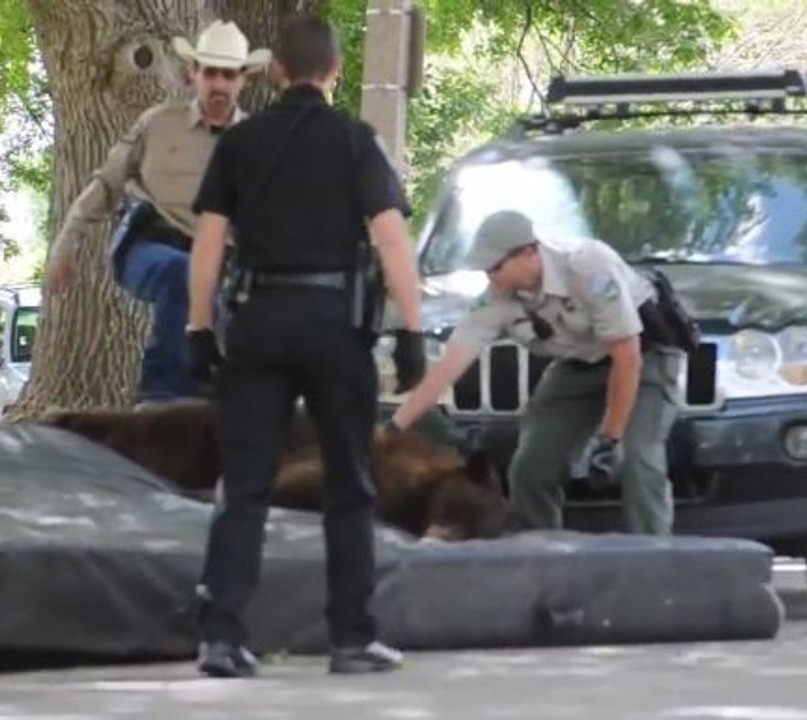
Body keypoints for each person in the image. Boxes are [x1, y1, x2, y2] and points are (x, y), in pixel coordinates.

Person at [185, 14, 426, 677]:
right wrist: (409, 329)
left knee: (246, 484)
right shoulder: (356, 142)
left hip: (257, 322)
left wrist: (197, 327)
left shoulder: (240, 144)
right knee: (349, 482)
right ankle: (351, 637)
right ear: (335, 72)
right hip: (333, 327)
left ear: (274, 72)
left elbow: (208, 243)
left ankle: (222, 636)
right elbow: (390, 238)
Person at [387, 209, 682, 536]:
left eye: (495, 267)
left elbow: (627, 357)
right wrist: (397, 425)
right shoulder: (495, 301)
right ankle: (540, 554)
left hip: (644, 359)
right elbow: (450, 364)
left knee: (639, 461)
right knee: (530, 467)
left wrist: (610, 439)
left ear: (528, 252)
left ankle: (655, 556)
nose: (490, 277)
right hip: (580, 364)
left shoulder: (587, 265)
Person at [44, 20, 270, 406]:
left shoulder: (256, 142)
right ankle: (161, 396)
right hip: (149, 243)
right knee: (181, 273)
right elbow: (108, 183)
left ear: (243, 80)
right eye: (211, 73)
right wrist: (67, 240)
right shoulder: (159, 123)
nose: (219, 85)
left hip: (220, 261)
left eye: (229, 75)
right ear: (193, 74)